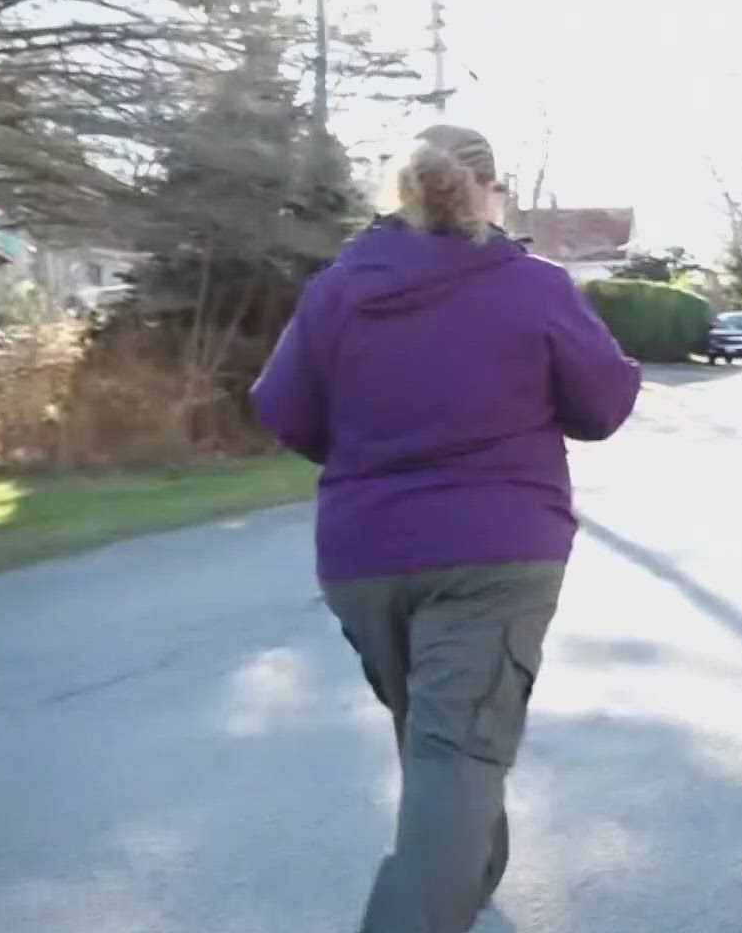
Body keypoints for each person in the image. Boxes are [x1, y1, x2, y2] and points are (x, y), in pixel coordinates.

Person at [253, 123, 641, 933]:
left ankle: (470, 875)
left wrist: (367, 458)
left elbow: (282, 408)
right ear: (488, 191)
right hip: (495, 549)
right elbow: (602, 406)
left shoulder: (338, 289)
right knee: (456, 748)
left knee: (440, 734)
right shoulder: (530, 285)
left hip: (364, 553)